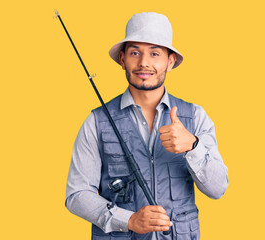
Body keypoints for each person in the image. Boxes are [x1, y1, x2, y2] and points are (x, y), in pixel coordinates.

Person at [65, 12, 228, 240]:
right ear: (122, 60)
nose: (144, 63)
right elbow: (77, 194)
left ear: (170, 61)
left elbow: (218, 188)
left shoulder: (196, 116)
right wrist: (128, 220)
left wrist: (193, 146)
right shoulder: (96, 121)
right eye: (135, 53)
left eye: (154, 53)